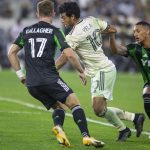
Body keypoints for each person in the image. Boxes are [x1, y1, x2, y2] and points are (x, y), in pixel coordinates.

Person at [7, 0, 104, 148]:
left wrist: (21, 75)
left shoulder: (26, 31)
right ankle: (86, 137)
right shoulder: (55, 31)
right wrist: (81, 71)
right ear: (53, 13)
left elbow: (11, 52)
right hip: (50, 78)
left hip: (31, 84)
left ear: (37, 14)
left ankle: (59, 128)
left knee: (59, 107)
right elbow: (70, 55)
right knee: (75, 103)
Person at [57, 2, 145, 141]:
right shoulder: (91, 20)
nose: (62, 20)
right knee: (100, 109)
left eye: (63, 17)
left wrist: (50, 70)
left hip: (103, 70)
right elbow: (112, 29)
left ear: (73, 17)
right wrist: (110, 37)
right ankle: (133, 119)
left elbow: (65, 57)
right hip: (99, 71)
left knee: (98, 109)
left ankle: (125, 128)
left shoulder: (72, 36)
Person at [109, 21, 150, 120]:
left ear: (148, 31)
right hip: (148, 83)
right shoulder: (135, 48)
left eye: (138, 31)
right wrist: (111, 36)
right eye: (134, 31)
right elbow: (116, 50)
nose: (135, 34)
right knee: (147, 96)